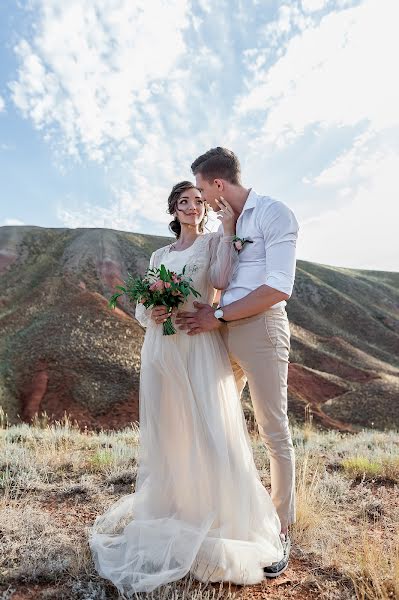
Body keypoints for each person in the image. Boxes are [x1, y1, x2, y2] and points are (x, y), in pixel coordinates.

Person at [88, 180, 285, 596]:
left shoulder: (214, 242)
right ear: (173, 210)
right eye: (184, 202)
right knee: (172, 430)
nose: (192, 207)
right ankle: (177, 505)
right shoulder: (160, 254)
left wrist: (229, 227)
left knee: (209, 426)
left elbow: (219, 279)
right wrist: (153, 310)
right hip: (162, 347)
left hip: (198, 343)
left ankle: (218, 510)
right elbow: (142, 306)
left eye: (197, 201)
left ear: (204, 208)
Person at [175, 148, 299, 578]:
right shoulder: (231, 220)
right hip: (220, 332)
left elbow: (279, 287)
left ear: (218, 184)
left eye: (204, 191)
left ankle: (282, 530)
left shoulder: (273, 213)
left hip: (260, 329)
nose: (203, 202)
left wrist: (221, 315)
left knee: (272, 429)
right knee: (216, 423)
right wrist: (226, 229)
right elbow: (223, 280)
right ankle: (227, 516)